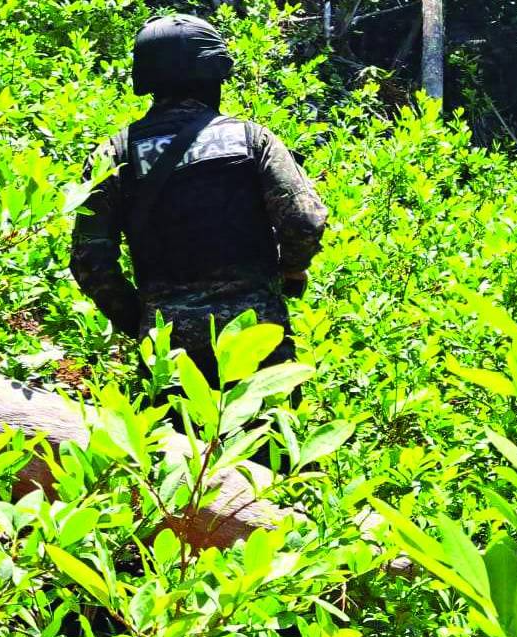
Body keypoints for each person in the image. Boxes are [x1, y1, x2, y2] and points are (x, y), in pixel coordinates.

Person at [71, 14, 328, 391]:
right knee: (267, 448)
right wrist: (291, 271)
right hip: (254, 338)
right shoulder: (252, 140)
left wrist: (142, 320)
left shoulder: (116, 153)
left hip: (168, 352)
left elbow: (90, 260)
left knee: (170, 449)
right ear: (214, 72)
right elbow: (303, 221)